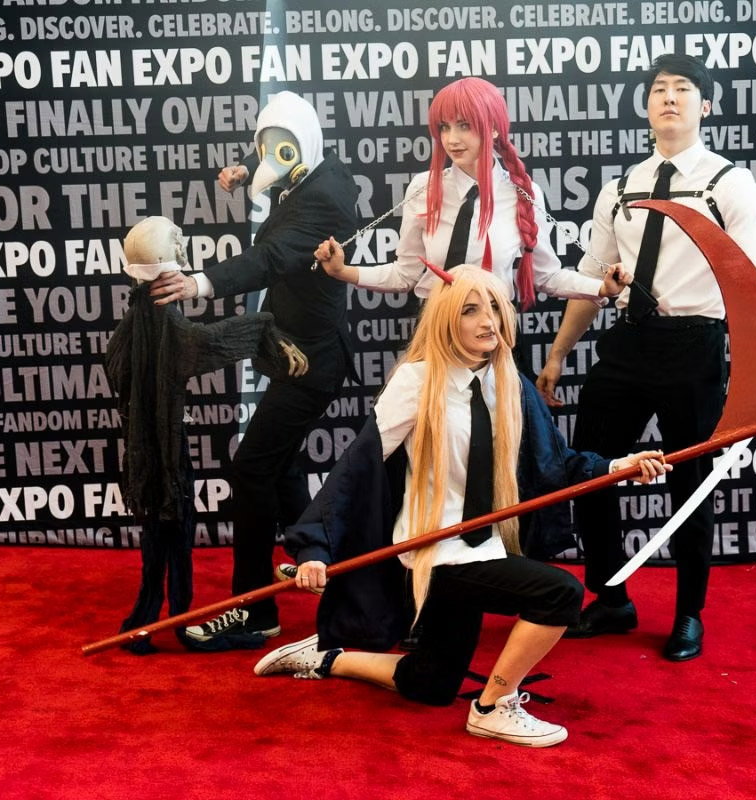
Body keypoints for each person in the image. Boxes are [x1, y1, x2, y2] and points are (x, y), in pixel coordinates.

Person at [252, 266, 667, 747]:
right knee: (558, 594)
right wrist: (313, 549)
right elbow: (356, 468)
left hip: (483, 547)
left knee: (430, 683)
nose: (488, 320)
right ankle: (493, 706)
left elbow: (559, 461)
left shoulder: (508, 380)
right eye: (471, 310)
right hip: (433, 549)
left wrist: (621, 465)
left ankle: (325, 657)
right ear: (447, 319)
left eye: (494, 307)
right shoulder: (417, 381)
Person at [536, 54, 756, 662]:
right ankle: (612, 596)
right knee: (590, 470)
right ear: (645, 107)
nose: (668, 97)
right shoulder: (620, 188)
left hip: (694, 346)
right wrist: (558, 354)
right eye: (657, 89)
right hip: (626, 343)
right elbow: (592, 280)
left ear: (707, 106)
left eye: (683, 89)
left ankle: (689, 613)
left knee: (690, 484)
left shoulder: (729, 184)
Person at [148, 91, 359, 649]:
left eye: (277, 146)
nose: (268, 155)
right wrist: (250, 170)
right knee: (280, 466)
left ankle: (254, 610)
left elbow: (270, 257)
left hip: (312, 362)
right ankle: (318, 563)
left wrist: (198, 284)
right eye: (263, 144)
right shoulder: (316, 169)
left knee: (250, 469)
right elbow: (288, 164)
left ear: (303, 144)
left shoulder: (326, 201)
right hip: (294, 350)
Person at [105, 215, 308, 653]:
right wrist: (264, 327)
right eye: (178, 245)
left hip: (146, 453)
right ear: (170, 258)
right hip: (165, 456)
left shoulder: (133, 321)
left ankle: (150, 615)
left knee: (159, 533)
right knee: (172, 527)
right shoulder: (169, 326)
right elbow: (210, 342)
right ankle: (171, 616)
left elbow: (125, 365)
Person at [313, 76, 629, 309]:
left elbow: (546, 277)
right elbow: (405, 274)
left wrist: (602, 287)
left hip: (492, 330)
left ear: (493, 128)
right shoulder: (423, 188)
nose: (452, 139)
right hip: (433, 331)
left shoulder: (523, 192)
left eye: (464, 125)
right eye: (444, 127)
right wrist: (342, 271)